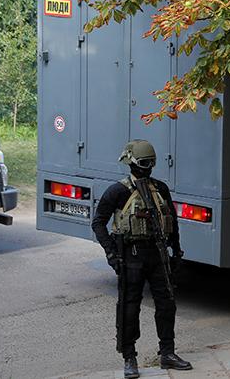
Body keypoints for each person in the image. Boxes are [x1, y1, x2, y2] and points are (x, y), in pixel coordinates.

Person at [91, 140, 192, 378]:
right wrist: (111, 254)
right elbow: (98, 223)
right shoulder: (117, 191)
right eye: (144, 163)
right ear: (131, 163)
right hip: (131, 254)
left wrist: (176, 251)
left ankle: (167, 353)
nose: (147, 168)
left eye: (151, 163)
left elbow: (173, 222)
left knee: (167, 303)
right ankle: (129, 357)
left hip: (157, 253)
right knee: (129, 306)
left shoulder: (160, 189)